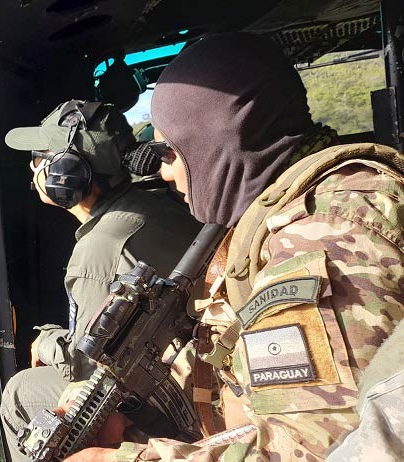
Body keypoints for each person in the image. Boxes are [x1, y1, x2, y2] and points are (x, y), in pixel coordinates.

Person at [61, 32, 404, 462]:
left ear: (220, 141)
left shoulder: (323, 235)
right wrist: (124, 405)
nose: (166, 174)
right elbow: (234, 352)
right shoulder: (270, 215)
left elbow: (316, 450)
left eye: (169, 152)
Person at [0, 100, 203, 461]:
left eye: (39, 158)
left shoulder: (99, 253)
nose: (33, 168)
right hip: (194, 358)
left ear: (66, 174)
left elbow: (89, 373)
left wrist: (45, 341)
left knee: (19, 390)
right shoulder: (160, 203)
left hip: (175, 401)